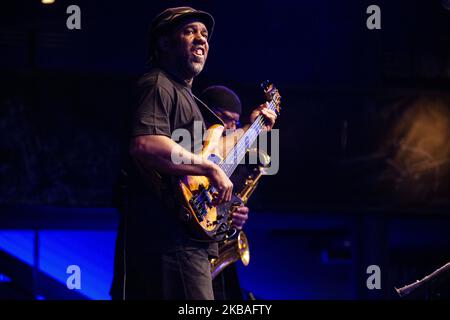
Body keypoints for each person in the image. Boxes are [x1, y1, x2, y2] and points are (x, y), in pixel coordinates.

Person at [110, 7, 277, 300]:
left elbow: (212, 155)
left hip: (186, 240)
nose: (201, 39)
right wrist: (209, 169)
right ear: (164, 43)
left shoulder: (186, 96)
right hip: (170, 242)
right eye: (190, 32)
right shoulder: (157, 84)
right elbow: (145, 145)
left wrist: (254, 128)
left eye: (204, 35)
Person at [200, 85, 250, 300]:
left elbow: (233, 205)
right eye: (225, 118)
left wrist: (238, 215)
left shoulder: (238, 163)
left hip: (219, 248)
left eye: (236, 122)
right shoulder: (190, 150)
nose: (231, 127)